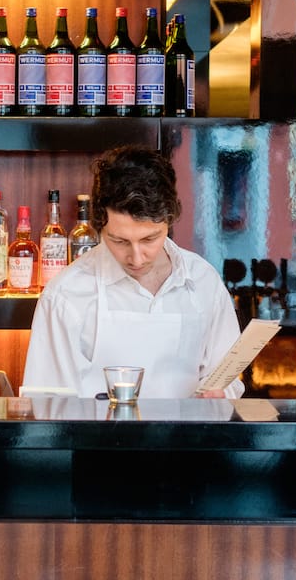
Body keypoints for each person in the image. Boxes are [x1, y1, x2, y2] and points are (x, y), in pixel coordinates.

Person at [22, 144, 243, 398]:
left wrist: (221, 395)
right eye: (120, 241)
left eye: (149, 239)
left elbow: (228, 380)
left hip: (186, 437)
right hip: (99, 438)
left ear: (169, 220)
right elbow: (46, 406)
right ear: (99, 226)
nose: (137, 258)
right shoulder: (65, 295)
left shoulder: (204, 281)